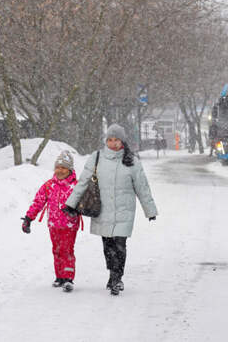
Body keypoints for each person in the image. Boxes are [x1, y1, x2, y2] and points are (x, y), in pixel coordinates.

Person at [63, 124, 157, 296]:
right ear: (106, 141)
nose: (113, 143)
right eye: (110, 140)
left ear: (122, 141)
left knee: (120, 245)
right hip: (102, 210)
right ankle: (112, 273)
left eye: (117, 140)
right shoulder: (96, 158)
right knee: (108, 246)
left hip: (124, 211)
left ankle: (117, 278)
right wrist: (71, 204)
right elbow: (83, 182)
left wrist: (150, 210)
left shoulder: (132, 161)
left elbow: (142, 187)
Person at [21, 150, 80, 292]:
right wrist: (29, 218)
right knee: (57, 250)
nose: (60, 170)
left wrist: (76, 210)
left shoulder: (76, 186)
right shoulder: (49, 186)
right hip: (53, 225)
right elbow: (38, 202)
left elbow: (82, 203)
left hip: (69, 225)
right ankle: (59, 277)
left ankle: (68, 278)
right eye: (58, 167)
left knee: (67, 250)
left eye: (63, 168)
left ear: (70, 169)